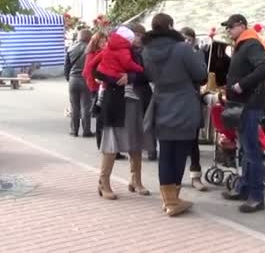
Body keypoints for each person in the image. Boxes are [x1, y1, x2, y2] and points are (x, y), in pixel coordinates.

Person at [142, 13, 207, 217]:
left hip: (161, 102)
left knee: (166, 152)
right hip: (184, 103)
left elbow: (149, 76)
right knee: (180, 152)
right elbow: (201, 75)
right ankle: (173, 200)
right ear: (170, 26)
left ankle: (167, 199)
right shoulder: (182, 49)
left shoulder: (146, 51)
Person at [220, 14, 265, 213]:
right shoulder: (242, 44)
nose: (229, 31)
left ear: (242, 26)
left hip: (249, 105)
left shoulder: (251, 43)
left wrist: (242, 85)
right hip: (241, 104)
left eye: (231, 27)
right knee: (245, 149)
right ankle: (243, 188)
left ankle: (256, 197)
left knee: (251, 150)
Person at [93, 25, 154, 200]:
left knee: (135, 141)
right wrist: (113, 77)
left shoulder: (142, 53)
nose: (138, 38)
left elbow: (149, 74)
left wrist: (131, 77)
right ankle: (103, 182)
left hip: (135, 101)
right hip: (114, 100)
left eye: (140, 35)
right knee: (111, 144)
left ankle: (136, 180)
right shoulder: (110, 49)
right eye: (135, 35)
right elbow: (95, 71)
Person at [179, 26, 208, 192]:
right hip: (177, 103)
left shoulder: (198, 54)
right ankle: (176, 177)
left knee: (193, 141)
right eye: (183, 39)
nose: (186, 42)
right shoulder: (173, 55)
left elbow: (203, 78)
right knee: (177, 142)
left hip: (193, 100)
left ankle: (196, 176)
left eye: (189, 40)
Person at [64, 29, 93, 137]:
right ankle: (86, 131)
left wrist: (69, 78)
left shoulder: (70, 48)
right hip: (85, 79)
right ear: (89, 37)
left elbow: (66, 67)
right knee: (85, 106)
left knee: (74, 107)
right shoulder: (91, 49)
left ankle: (74, 131)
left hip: (73, 79)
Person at [82, 31, 107, 149]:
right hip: (98, 88)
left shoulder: (93, 53)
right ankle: (101, 143)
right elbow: (88, 71)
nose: (103, 43)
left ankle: (101, 143)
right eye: (101, 41)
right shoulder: (94, 54)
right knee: (101, 117)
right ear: (95, 42)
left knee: (100, 117)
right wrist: (97, 82)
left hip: (98, 87)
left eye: (104, 41)